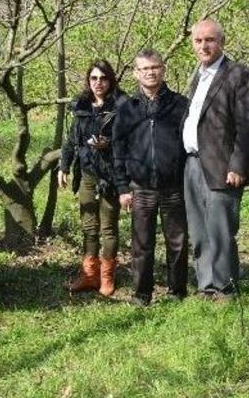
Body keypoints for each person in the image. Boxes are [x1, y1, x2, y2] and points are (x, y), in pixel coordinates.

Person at [182, 20, 249, 301]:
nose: (204, 46)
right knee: (199, 230)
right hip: (192, 163)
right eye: (198, 41)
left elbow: (247, 125)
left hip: (222, 165)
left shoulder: (239, 74)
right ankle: (207, 285)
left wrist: (238, 165)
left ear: (222, 42)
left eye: (210, 40)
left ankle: (225, 287)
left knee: (221, 230)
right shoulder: (198, 75)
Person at [113, 50, 189, 307]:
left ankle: (177, 291)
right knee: (142, 244)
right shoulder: (127, 108)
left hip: (174, 187)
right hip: (141, 188)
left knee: (177, 242)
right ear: (136, 73)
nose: (150, 72)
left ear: (163, 69)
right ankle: (141, 294)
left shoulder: (180, 104)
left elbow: (191, 144)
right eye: (144, 68)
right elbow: (118, 150)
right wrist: (123, 187)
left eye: (155, 67)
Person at [58, 59, 123, 296]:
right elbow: (71, 140)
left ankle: (107, 277)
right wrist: (64, 166)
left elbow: (129, 141)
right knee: (88, 226)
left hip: (111, 176)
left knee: (108, 228)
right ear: (88, 81)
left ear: (110, 81)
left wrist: (109, 144)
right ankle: (89, 274)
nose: (98, 83)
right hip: (87, 173)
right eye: (94, 78)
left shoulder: (122, 106)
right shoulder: (82, 106)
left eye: (103, 78)